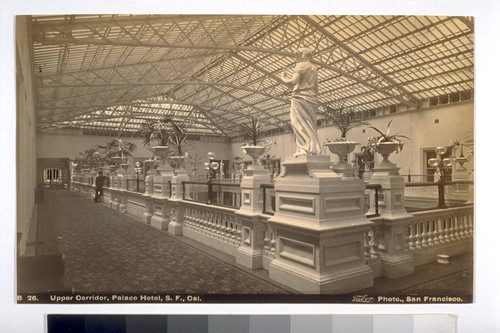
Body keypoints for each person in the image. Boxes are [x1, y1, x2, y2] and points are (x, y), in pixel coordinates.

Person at [280, 47, 323, 156]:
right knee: (310, 124)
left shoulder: (301, 65)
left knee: (298, 123)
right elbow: (316, 88)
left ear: (303, 55)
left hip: (299, 98)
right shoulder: (314, 68)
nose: (297, 59)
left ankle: (304, 148)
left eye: (298, 56)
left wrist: (283, 78)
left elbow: (293, 82)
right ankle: (314, 148)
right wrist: (314, 99)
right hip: (311, 99)